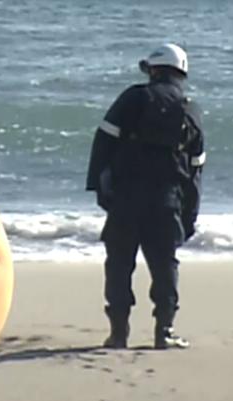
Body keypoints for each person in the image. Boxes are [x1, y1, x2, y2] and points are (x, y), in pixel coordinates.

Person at [85, 43, 205, 350]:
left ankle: (118, 333)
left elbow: (103, 144)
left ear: (154, 70)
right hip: (167, 202)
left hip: (127, 198)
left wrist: (101, 191)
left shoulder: (133, 98)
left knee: (119, 265)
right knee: (165, 266)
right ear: (181, 72)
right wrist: (189, 214)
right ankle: (164, 332)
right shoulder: (190, 109)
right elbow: (195, 171)